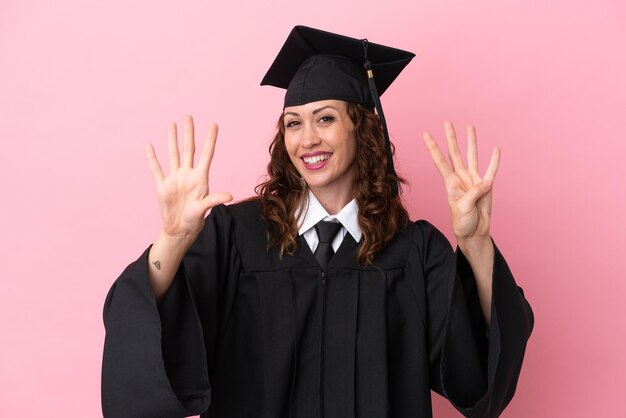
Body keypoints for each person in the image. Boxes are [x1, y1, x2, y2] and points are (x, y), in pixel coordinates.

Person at [102, 26, 533, 418]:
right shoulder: (236, 235)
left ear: (361, 129)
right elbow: (144, 339)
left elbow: (478, 380)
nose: (307, 138)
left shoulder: (414, 251)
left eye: (324, 118)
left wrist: (476, 243)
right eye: (293, 123)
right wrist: (173, 240)